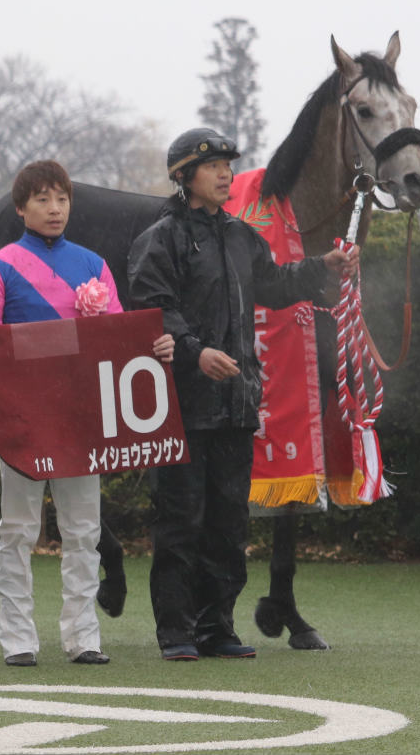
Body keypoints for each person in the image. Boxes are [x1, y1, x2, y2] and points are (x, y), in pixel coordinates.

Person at [126, 127, 359, 661]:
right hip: (181, 407)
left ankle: (218, 628)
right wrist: (194, 351)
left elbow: (274, 285)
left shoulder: (239, 235)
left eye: (229, 165)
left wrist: (322, 269)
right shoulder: (159, 239)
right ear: (185, 176)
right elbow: (152, 310)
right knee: (181, 521)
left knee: (228, 525)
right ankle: (177, 633)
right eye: (213, 167)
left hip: (235, 405)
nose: (226, 173)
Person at [0, 160, 174, 668]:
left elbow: (117, 340)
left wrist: (159, 345)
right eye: (42, 199)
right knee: (17, 528)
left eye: (61, 198)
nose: (54, 208)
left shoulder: (94, 265)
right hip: (22, 419)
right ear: (21, 208)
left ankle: (83, 636)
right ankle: (18, 638)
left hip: (80, 419)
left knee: (84, 528)